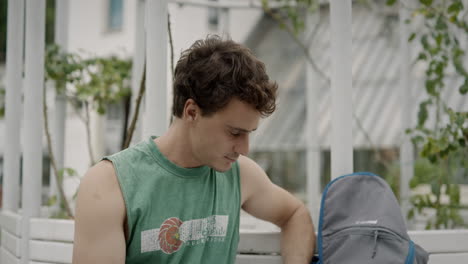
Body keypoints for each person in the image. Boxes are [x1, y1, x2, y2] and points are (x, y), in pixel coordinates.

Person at [72, 35, 315, 264]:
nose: (244, 149)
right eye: (234, 132)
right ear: (192, 112)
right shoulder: (109, 183)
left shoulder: (240, 175)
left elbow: (295, 215)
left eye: (248, 134)